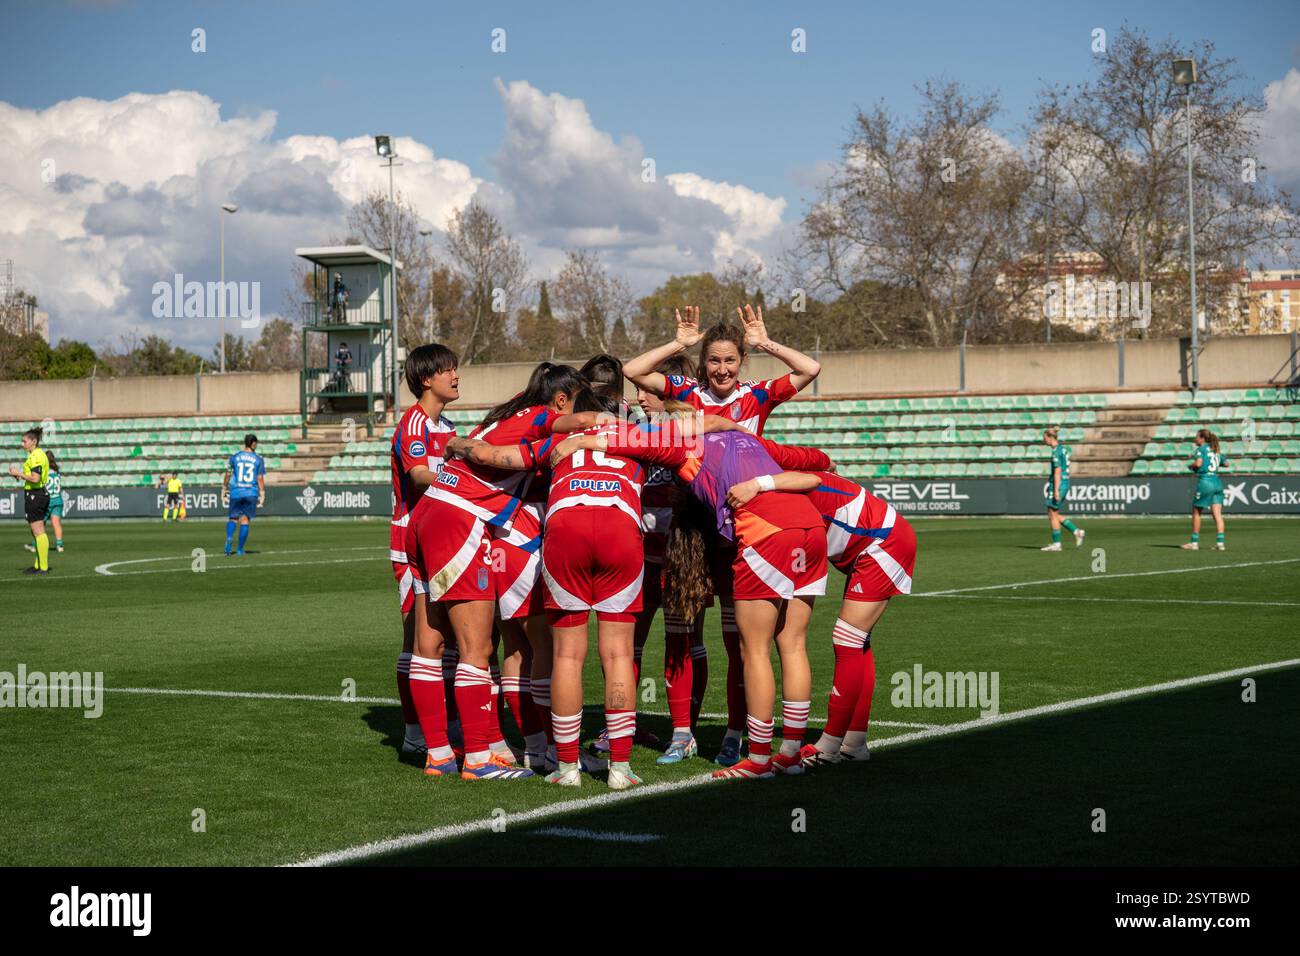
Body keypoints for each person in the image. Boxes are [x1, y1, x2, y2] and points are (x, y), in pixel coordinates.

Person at [564, 416, 832, 780]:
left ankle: (757, 758)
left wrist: (583, 442)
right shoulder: (750, 442)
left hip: (766, 531)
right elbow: (818, 463)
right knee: (794, 644)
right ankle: (790, 754)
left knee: (754, 650)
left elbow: (631, 441)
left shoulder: (686, 446)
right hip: (811, 528)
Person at [622, 303, 822, 766]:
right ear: (702, 362)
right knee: (682, 634)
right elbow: (633, 370)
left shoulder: (756, 396)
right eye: (713, 359)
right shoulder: (684, 390)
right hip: (690, 530)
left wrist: (766, 341)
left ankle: (735, 733)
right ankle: (682, 733)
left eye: (731, 360)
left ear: (742, 362)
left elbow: (811, 368)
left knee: (740, 642)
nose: (722, 369)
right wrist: (679, 342)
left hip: (742, 532)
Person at [406, 362, 587, 780]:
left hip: (428, 515)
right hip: (460, 519)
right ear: (560, 400)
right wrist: (621, 423)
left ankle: (438, 753)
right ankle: (478, 759)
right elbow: (578, 421)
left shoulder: (505, 417)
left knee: (429, 642)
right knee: (477, 648)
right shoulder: (542, 418)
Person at [734, 468, 917, 766]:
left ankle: (829, 745)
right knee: (858, 643)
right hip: (876, 541)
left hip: (883, 542)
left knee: (847, 640)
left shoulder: (780, 482)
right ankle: (854, 742)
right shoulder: (785, 476)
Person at [389, 344, 460, 768]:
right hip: (412, 543)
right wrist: (463, 478)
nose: (455, 375)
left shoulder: (448, 424)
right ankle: (416, 734)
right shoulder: (412, 423)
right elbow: (418, 476)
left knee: (447, 637)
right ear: (426, 378)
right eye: (448, 370)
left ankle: (444, 724)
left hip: (443, 541)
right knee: (418, 638)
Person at [10, 427, 52, 574]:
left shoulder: (36, 456)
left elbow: (35, 478)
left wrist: (19, 473)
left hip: (36, 494)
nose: (22, 444)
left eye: (24, 441)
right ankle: (38, 565)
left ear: (33, 441)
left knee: (38, 531)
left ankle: (43, 567)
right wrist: (19, 475)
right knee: (36, 532)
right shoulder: (38, 454)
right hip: (38, 493)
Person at [1181, 428, 1228, 551]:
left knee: (1197, 511)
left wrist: (1190, 466)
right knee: (1217, 514)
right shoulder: (1216, 449)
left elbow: (1198, 464)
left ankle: (1194, 542)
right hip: (1217, 482)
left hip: (1206, 481)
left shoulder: (1200, 449)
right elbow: (1227, 463)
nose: (1195, 439)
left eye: (1197, 437)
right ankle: (1220, 543)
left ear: (1202, 439)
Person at [1040, 426, 1084, 552]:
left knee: (1052, 514)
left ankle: (1057, 544)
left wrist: (1056, 490)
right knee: (1053, 513)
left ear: (1050, 437)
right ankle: (1076, 532)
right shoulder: (1064, 449)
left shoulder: (1055, 453)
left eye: (1045, 438)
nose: (1044, 441)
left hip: (1058, 484)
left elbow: (1057, 472)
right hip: (1066, 482)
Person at [223, 434, 265, 556]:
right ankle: (240, 549)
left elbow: (228, 473)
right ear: (253, 443)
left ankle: (229, 539)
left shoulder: (234, 457)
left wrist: (224, 487)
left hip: (236, 491)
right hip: (250, 492)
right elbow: (260, 478)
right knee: (245, 520)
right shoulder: (258, 459)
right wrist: (262, 493)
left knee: (233, 518)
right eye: (256, 443)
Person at [25, 451, 65, 555]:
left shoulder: (44, 471)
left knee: (39, 524)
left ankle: (35, 545)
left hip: (47, 500)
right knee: (56, 523)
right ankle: (59, 545)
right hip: (58, 499)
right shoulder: (57, 471)